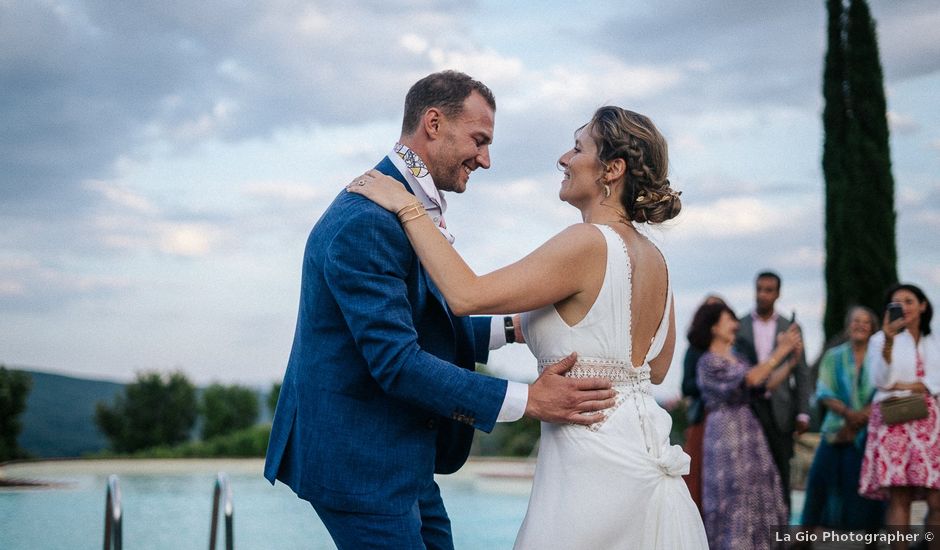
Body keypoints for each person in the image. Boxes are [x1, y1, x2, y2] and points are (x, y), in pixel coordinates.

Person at [264, 71, 617, 550]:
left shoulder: (405, 205)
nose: (486, 160)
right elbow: (397, 362)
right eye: (479, 140)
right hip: (361, 461)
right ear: (433, 123)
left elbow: (425, 319)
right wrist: (528, 401)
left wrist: (519, 326)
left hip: (403, 454)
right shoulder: (368, 220)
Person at [349, 106, 707, 548]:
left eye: (578, 148)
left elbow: (466, 295)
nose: (563, 158)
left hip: (588, 464)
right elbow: (654, 368)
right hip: (643, 454)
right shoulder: (657, 261)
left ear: (612, 169)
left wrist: (407, 207)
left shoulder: (587, 243)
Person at [692, 301, 801, 549]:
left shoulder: (738, 357)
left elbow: (765, 384)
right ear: (713, 327)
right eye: (728, 318)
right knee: (732, 495)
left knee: (758, 491)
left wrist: (791, 362)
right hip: (725, 434)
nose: (735, 324)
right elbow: (751, 378)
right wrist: (780, 351)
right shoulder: (708, 362)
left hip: (749, 431)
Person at [859, 283, 940, 549]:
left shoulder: (935, 339)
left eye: (909, 301)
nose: (903, 307)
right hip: (895, 420)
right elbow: (882, 381)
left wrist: (908, 385)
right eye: (896, 303)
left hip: (931, 422)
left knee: (937, 497)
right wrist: (889, 343)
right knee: (900, 495)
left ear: (922, 306)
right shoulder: (880, 340)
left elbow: (935, 382)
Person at [801, 306, 885, 539]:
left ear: (873, 329)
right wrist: (849, 415)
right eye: (856, 321)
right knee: (819, 479)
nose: (860, 325)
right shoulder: (834, 355)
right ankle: (806, 535)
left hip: (870, 431)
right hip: (836, 430)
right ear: (848, 326)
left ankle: (872, 537)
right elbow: (824, 391)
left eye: (866, 322)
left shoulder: (879, 356)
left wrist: (861, 417)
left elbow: (884, 389)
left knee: (871, 487)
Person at [735, 270, 811, 511]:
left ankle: (782, 531)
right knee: (749, 471)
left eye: (768, 290)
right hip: (749, 407)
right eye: (759, 289)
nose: (762, 295)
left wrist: (802, 412)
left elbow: (801, 371)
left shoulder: (790, 327)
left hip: (780, 409)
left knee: (781, 469)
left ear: (778, 293)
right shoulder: (740, 324)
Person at [682, 294, 727, 514]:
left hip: (729, 420)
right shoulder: (694, 349)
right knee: (698, 476)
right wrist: (711, 382)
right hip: (703, 417)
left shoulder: (734, 347)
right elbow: (686, 386)